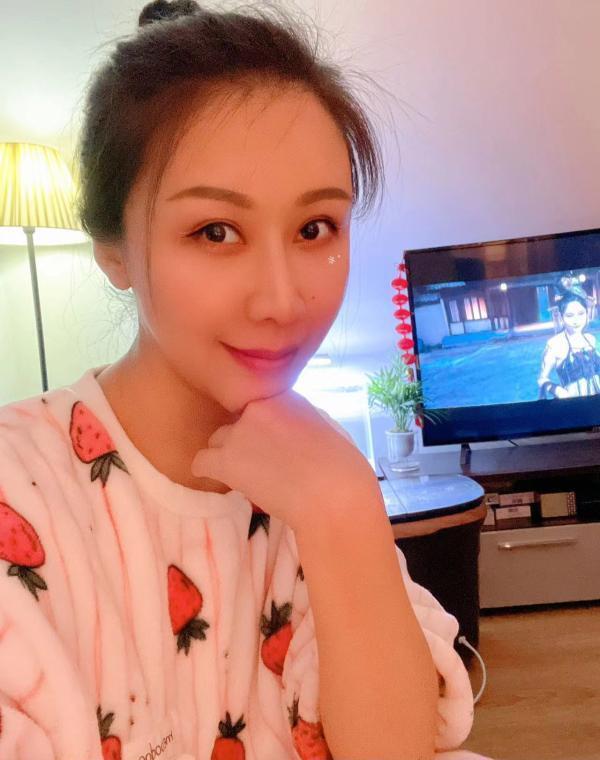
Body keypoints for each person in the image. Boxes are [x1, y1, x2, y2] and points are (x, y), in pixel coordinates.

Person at [0, 2, 488, 759]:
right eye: (216, 232)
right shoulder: (21, 489)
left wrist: (345, 513)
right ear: (113, 248)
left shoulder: (317, 474)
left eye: (315, 228)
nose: (282, 301)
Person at [538, 278, 600, 399]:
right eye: (570, 315)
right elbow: (542, 379)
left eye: (581, 314)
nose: (576, 321)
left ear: (587, 314)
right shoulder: (555, 344)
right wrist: (557, 390)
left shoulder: (590, 339)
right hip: (573, 403)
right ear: (562, 317)